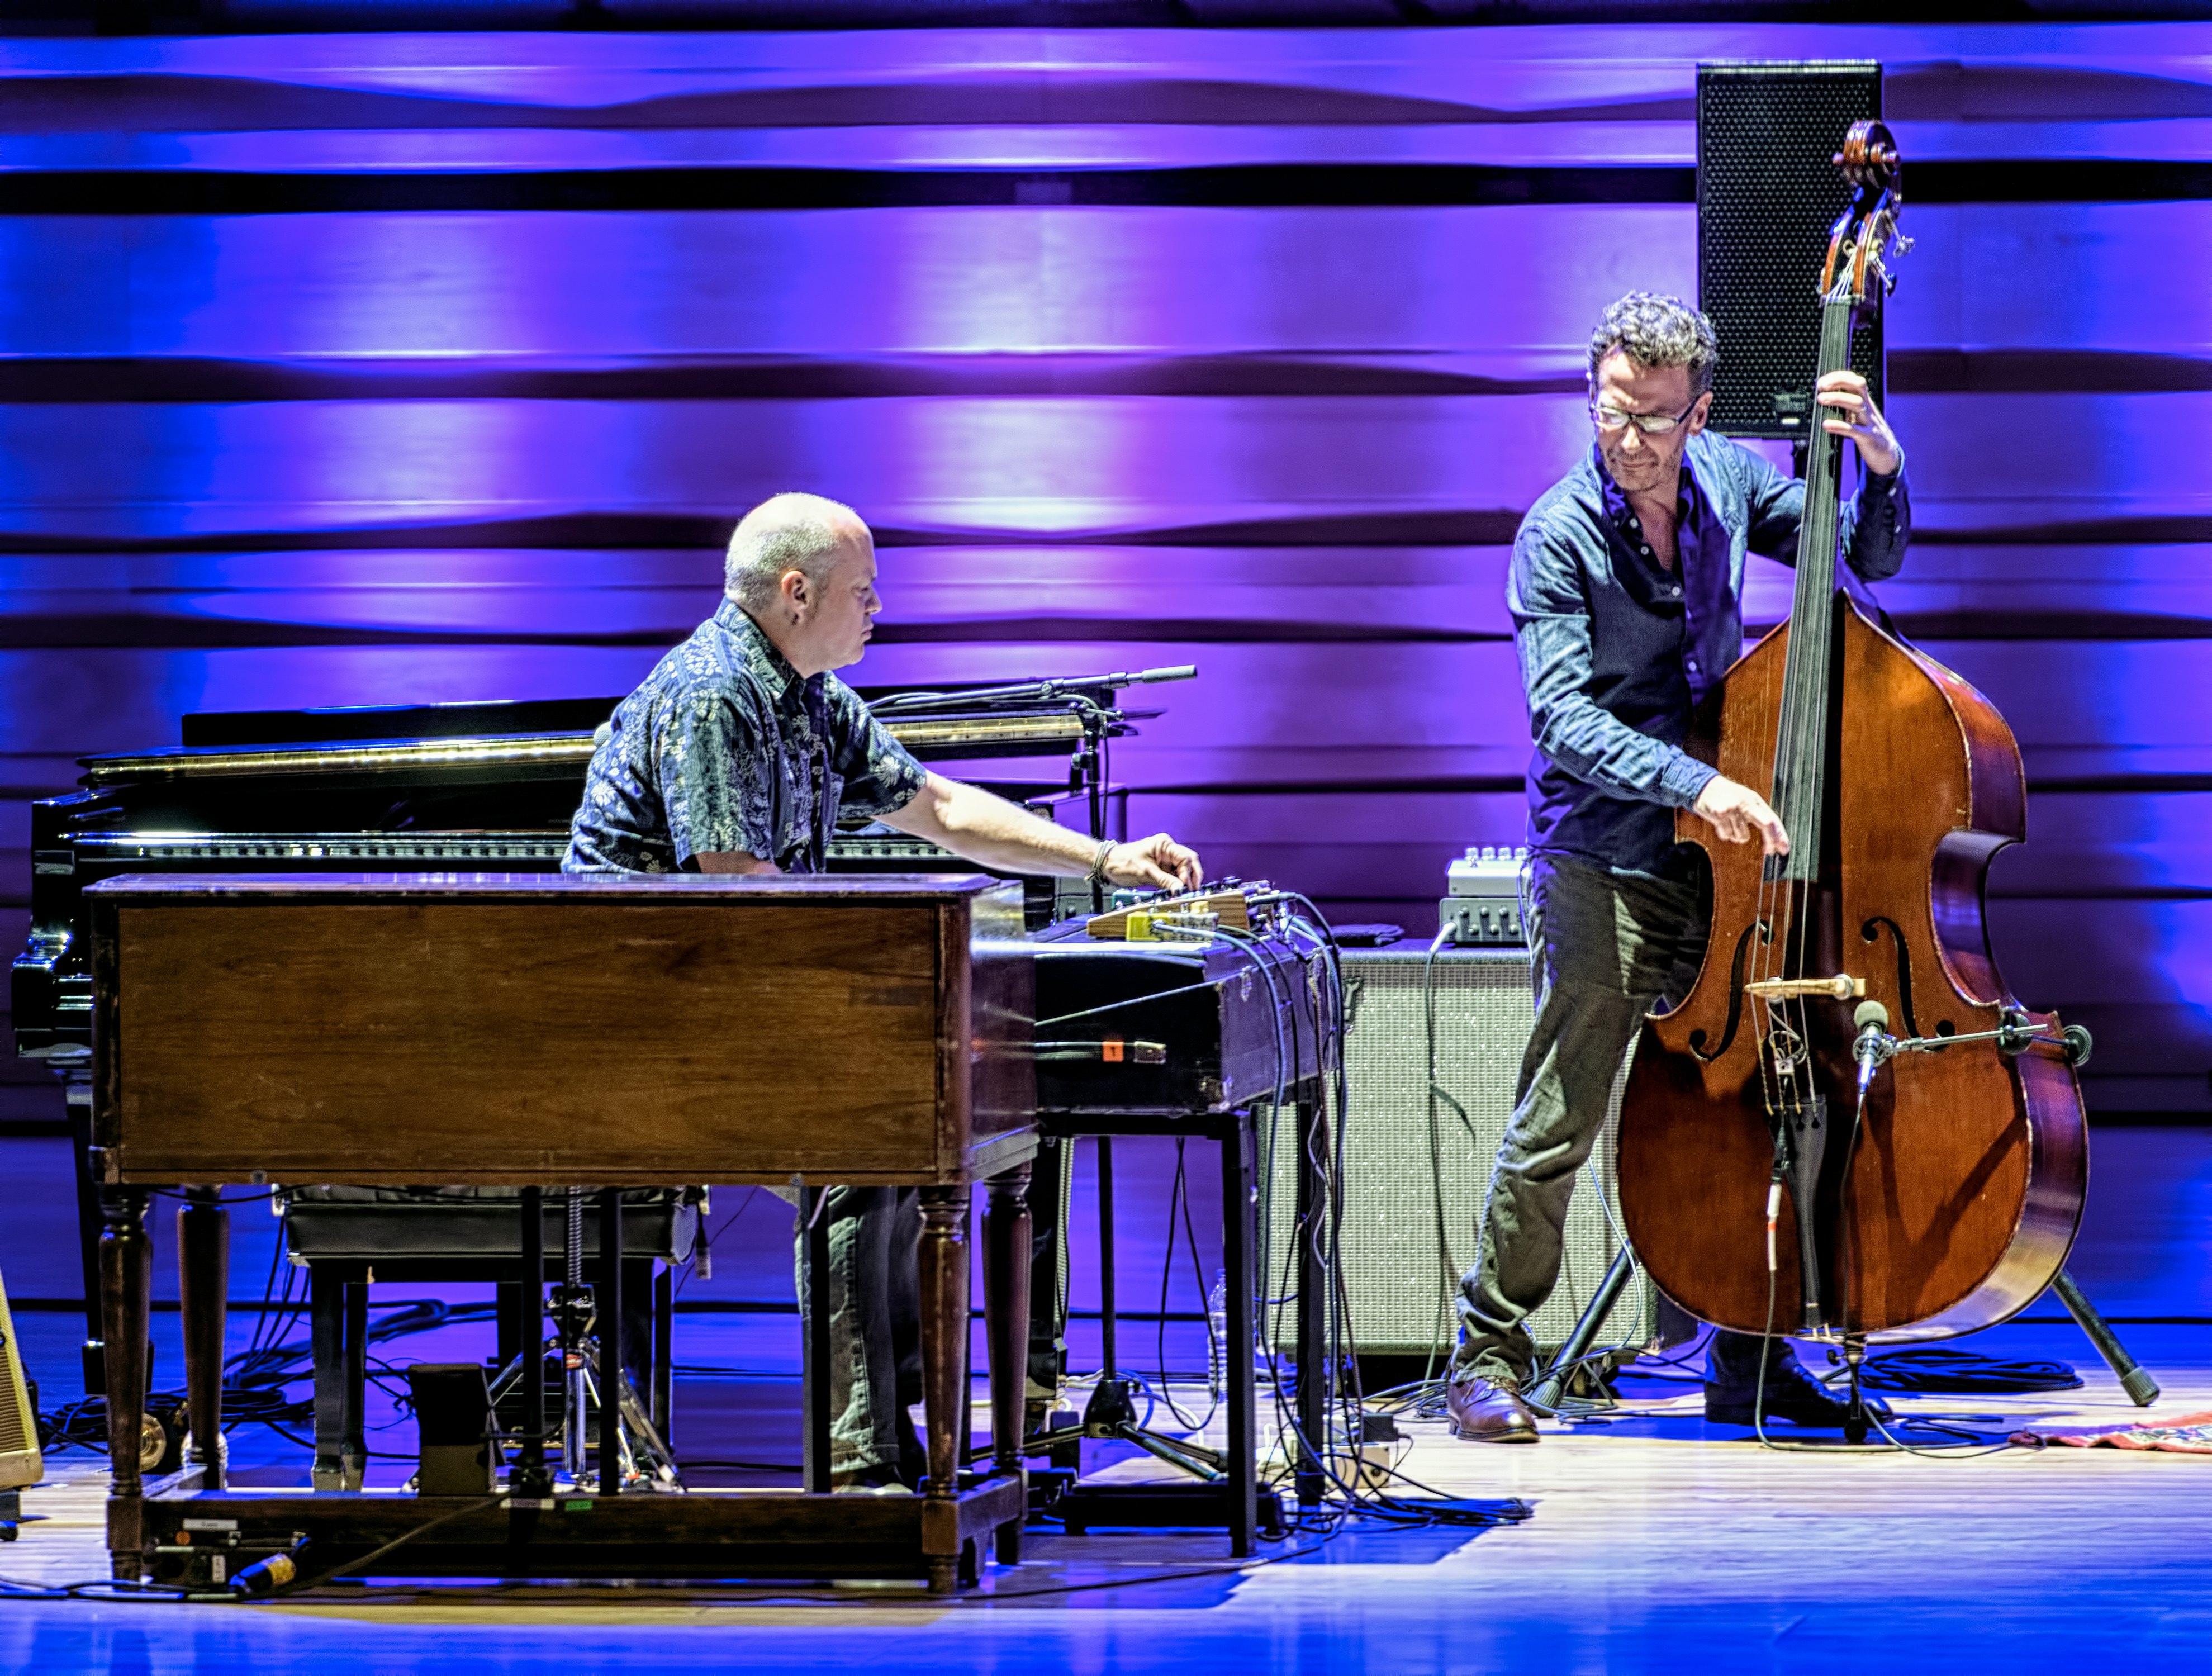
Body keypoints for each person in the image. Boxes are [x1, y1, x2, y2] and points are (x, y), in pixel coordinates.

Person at [567, 491, 1202, 1488]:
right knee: (870, 1143)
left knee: (955, 1117)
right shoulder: (716, 694)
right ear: (795, 591)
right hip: (646, 1027)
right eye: (862, 593)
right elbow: (737, 891)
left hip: (726, 1004)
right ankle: (863, 1462)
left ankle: (947, 1423)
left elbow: (937, 805)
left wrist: (1106, 858)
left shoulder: (808, 694)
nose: (877, 612)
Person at [1447, 292, 1909, 1444]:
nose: (1628, 440)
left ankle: (1743, 1357)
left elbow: (1857, 558)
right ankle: (1485, 1357)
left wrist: (1882, 469)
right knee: (1560, 1113)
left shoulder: (1731, 483)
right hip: (1605, 854)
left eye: (1654, 419)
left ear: (1697, 412)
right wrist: (1698, 784)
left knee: (1757, 1102)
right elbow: (1560, 721)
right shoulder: (1555, 534)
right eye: (1611, 412)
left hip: (1723, 865)